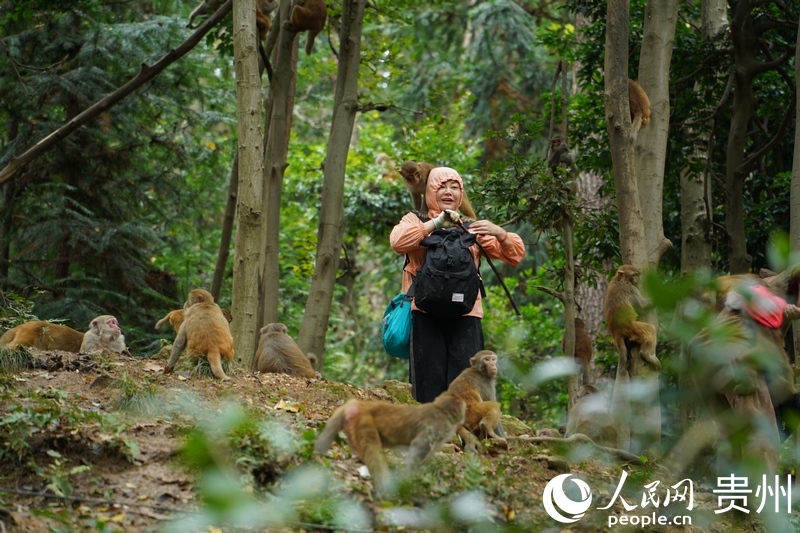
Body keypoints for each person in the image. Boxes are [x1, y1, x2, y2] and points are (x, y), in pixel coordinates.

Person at [389, 167, 525, 403]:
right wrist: (435, 224)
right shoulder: (415, 220)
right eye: (441, 186)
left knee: (467, 387)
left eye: (455, 187)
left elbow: (514, 255)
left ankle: (467, 438)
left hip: (467, 313)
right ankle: (435, 437)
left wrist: (500, 233)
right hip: (424, 311)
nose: (448, 191)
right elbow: (398, 241)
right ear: (430, 190)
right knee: (427, 384)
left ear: (461, 193)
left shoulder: (471, 227)